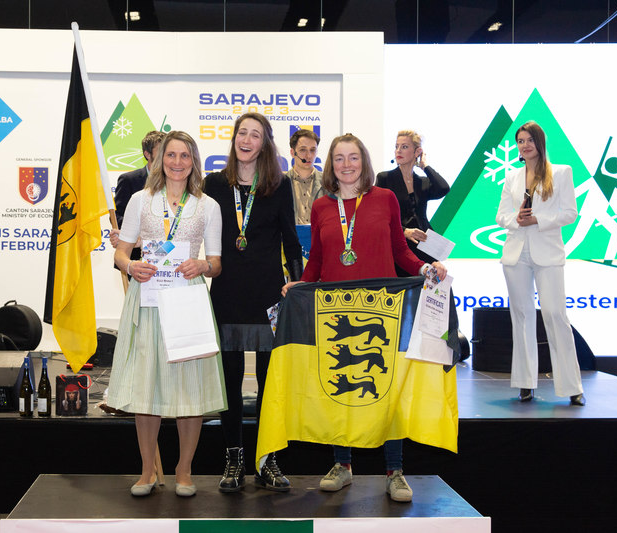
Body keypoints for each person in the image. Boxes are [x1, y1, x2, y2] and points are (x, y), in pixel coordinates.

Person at [282, 134, 448, 502]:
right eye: (339, 158)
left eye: (353, 157)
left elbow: (399, 251)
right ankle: (342, 464)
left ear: (364, 162)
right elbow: (317, 259)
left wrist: (425, 268)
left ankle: (395, 470)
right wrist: (300, 285)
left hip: (381, 310)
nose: (346, 165)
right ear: (331, 164)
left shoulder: (385, 198)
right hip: (336, 311)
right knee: (341, 385)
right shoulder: (322, 206)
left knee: (386, 389)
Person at [108, 130, 225, 498]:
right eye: (171, 155)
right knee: (147, 387)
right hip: (148, 300)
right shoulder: (141, 200)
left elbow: (217, 263)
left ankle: (184, 470)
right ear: (160, 160)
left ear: (194, 162)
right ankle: (147, 471)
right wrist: (131, 266)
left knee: (190, 389)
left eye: (185, 156)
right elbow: (121, 252)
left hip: (188, 301)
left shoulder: (208, 206)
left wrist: (202, 266)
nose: (177, 162)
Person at [203, 112, 302, 493]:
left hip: (267, 296)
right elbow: (191, 226)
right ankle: (234, 459)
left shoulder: (279, 185)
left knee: (269, 384)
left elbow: (291, 239)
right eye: (242, 133)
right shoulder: (215, 183)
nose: (246, 140)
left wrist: (296, 281)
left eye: (255, 135)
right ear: (234, 139)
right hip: (227, 292)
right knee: (229, 382)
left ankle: (267, 459)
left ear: (265, 143)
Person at [496, 121, 584, 406]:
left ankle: (572, 386)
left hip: (548, 252)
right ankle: (525, 383)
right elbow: (501, 216)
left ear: (540, 141)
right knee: (521, 317)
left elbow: (570, 213)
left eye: (529, 140)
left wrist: (538, 220)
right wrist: (517, 220)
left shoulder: (561, 172)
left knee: (556, 315)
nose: (525, 145)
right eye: (520, 141)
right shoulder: (512, 176)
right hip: (515, 253)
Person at [376, 130, 450, 275]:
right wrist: (404, 231)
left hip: (424, 245)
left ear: (417, 152)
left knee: (436, 284)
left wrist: (424, 166)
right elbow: (379, 216)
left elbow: (443, 188)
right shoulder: (385, 178)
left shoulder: (422, 182)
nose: (398, 151)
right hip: (399, 245)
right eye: (396, 146)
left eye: (404, 147)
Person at [109, 130, 167, 265]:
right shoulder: (129, 180)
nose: (165, 155)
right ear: (147, 154)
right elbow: (118, 217)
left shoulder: (175, 181)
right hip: (134, 258)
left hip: (170, 255)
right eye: (160, 150)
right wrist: (143, 234)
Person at [285, 128, 326, 224]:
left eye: (312, 150)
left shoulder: (327, 183)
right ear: (292, 153)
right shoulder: (279, 183)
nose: (308, 156)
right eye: (303, 150)